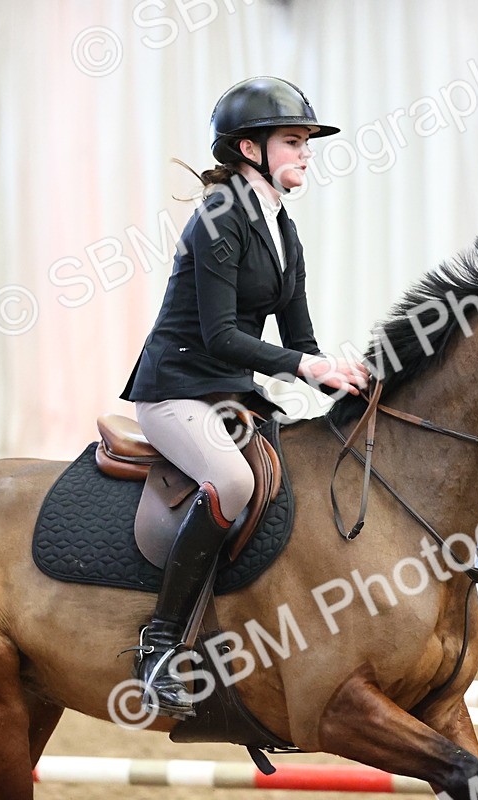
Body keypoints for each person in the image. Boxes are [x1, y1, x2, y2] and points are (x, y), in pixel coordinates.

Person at [120, 76, 369, 718]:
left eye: (307, 142)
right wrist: (306, 365)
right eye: (294, 141)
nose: (307, 153)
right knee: (231, 483)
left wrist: (340, 374)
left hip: (230, 394)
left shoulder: (284, 232)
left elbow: (300, 339)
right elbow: (221, 336)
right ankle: (159, 644)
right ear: (249, 149)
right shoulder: (220, 217)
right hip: (174, 388)